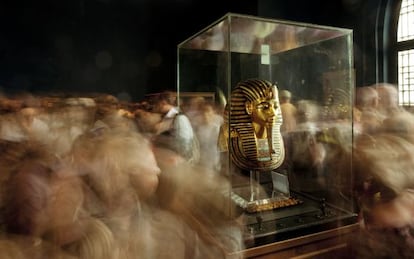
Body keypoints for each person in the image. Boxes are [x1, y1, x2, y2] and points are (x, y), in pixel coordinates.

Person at [151, 91, 200, 164]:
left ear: (163, 103)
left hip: (178, 162)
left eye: (158, 104)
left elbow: (185, 144)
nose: (157, 108)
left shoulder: (179, 118)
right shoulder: (173, 117)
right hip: (173, 160)